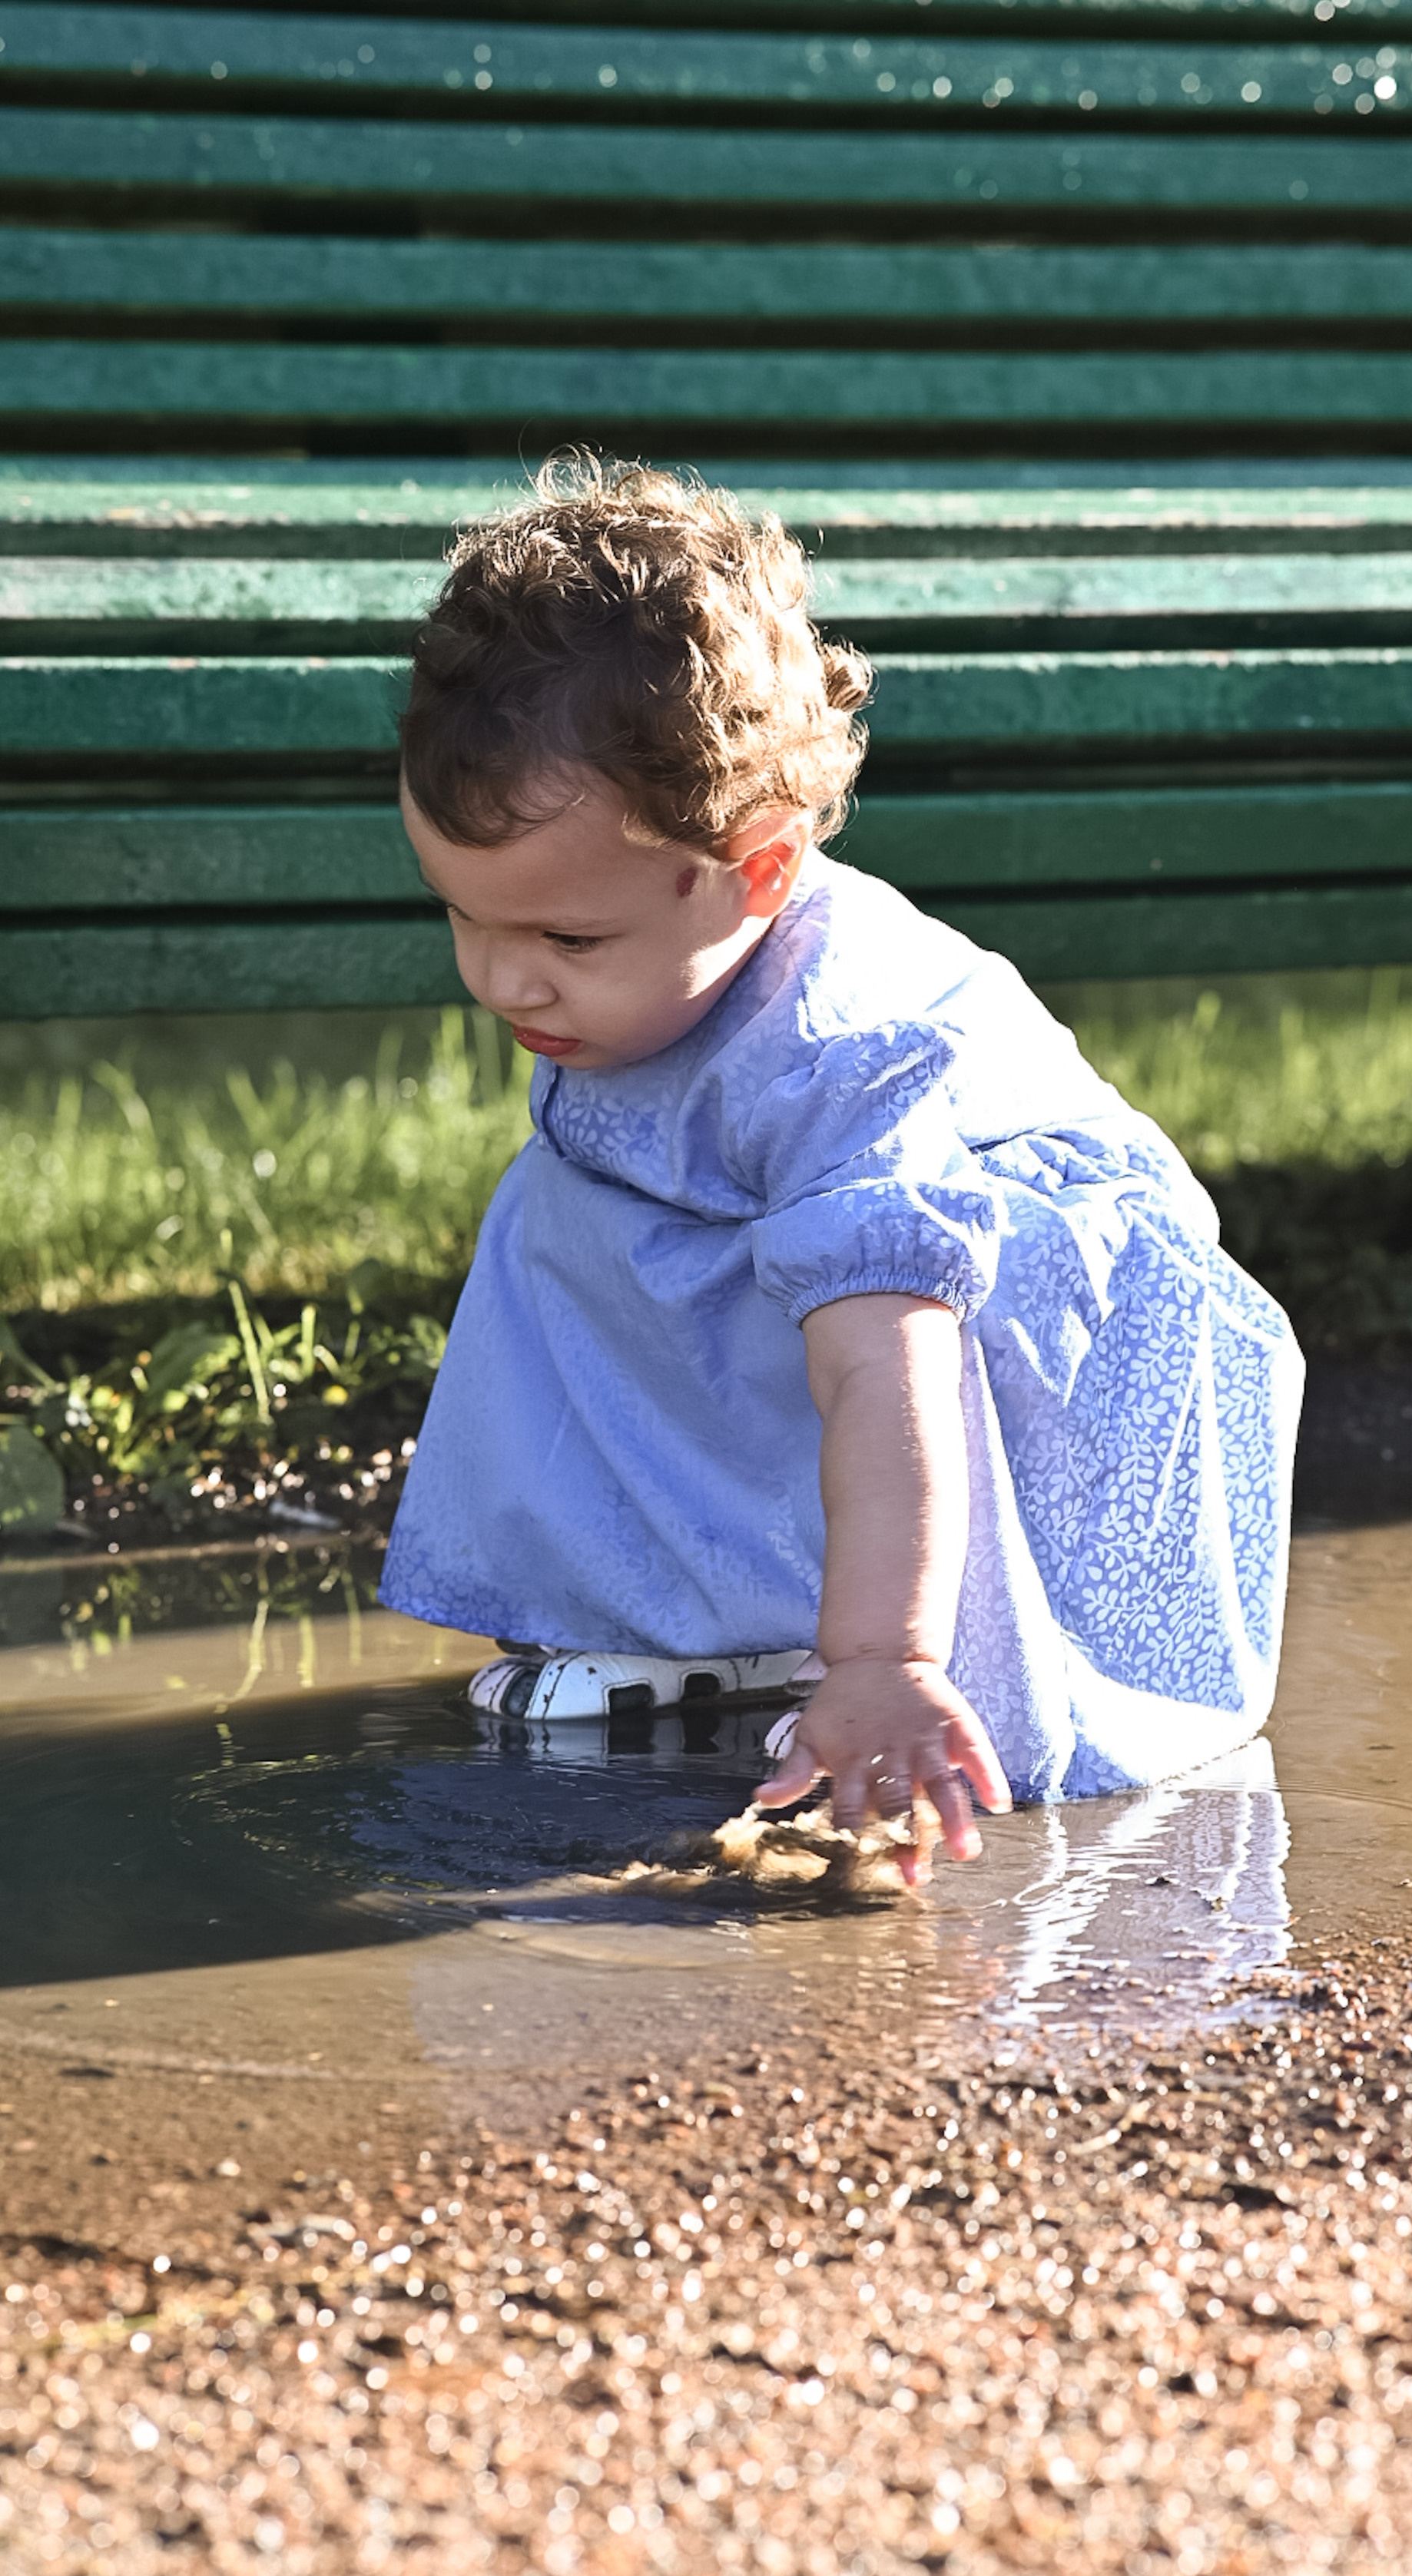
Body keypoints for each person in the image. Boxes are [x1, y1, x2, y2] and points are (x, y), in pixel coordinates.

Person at [380, 455, 1304, 1880]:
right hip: (833, 1251)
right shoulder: (650, 966)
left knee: (800, 1282)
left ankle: (827, 1643)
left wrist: (880, 1655)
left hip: (1034, 1311)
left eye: (567, 942)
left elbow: (890, 1363)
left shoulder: (842, 1059)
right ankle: (681, 1630)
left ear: (754, 871)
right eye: (461, 916)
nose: (506, 980)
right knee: (575, 1209)